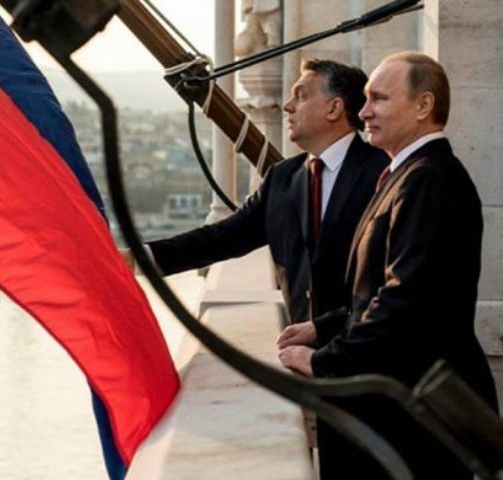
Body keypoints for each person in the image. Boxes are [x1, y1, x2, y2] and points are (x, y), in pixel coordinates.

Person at [278, 51, 499, 479]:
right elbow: (386, 288)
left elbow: (407, 301)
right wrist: (324, 326)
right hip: (402, 411)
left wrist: (323, 361)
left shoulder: (430, 179)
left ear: (423, 105)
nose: (363, 113)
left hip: (416, 421)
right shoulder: (409, 173)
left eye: (378, 99)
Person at [146, 59, 388, 331]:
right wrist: (139, 258)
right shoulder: (282, 178)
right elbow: (220, 239)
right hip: (301, 350)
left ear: (334, 108)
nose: (288, 106)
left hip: (373, 347)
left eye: (302, 96)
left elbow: (397, 279)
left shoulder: (386, 173)